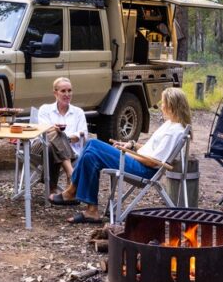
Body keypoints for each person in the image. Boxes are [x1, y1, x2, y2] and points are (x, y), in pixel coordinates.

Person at [48, 87, 191, 224]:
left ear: (172, 105)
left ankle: (72, 190)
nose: (161, 106)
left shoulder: (175, 131)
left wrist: (126, 154)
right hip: (140, 162)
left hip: (144, 170)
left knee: (93, 144)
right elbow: (152, 150)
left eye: (164, 103)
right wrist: (131, 146)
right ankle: (91, 210)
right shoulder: (170, 124)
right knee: (91, 155)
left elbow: (154, 162)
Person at [31, 77, 88, 194]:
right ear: (55, 93)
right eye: (63, 91)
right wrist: (57, 132)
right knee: (53, 133)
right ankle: (71, 173)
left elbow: (84, 134)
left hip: (60, 151)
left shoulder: (78, 112)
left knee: (53, 144)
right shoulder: (45, 109)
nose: (67, 94)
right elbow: (43, 132)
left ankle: (52, 189)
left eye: (69, 90)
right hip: (40, 147)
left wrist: (65, 138)